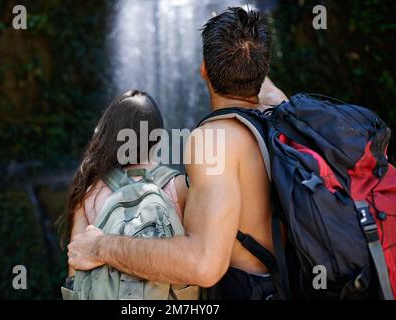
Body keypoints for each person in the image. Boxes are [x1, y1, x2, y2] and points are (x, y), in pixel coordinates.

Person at [68, 7, 288, 299]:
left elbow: (203, 265)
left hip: (246, 291)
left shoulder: (212, 140)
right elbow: (259, 77)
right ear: (263, 67)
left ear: (204, 70)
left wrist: (100, 246)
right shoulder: (284, 114)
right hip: (285, 283)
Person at [63, 89, 188, 278]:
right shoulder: (178, 186)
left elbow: (75, 267)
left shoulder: (90, 190)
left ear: (110, 134)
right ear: (158, 137)